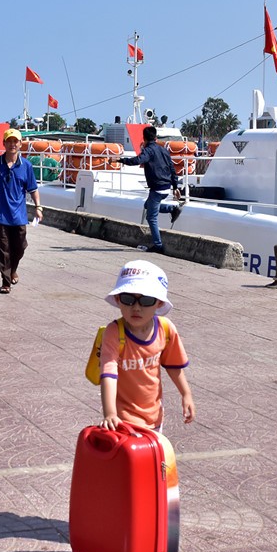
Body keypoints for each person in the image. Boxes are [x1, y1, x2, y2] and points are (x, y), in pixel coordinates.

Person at [98, 260, 195, 432]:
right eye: (128, 299)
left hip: (154, 416)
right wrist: (110, 413)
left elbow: (173, 365)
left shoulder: (165, 329)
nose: (136, 307)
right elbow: (109, 374)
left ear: (159, 303)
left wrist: (186, 394)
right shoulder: (114, 332)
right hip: (122, 420)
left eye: (146, 300)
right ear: (118, 299)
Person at [0, 128, 42, 294]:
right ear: (4, 144)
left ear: (20, 144)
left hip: (18, 215)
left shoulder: (26, 165)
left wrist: (38, 207)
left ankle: (13, 269)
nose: (12, 144)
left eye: (15, 141)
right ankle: (6, 281)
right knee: (2, 249)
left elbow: (33, 189)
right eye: (9, 141)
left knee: (20, 246)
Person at [111, 125, 183, 254]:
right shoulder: (163, 150)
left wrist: (119, 159)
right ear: (155, 137)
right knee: (147, 205)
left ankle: (158, 245)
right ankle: (172, 209)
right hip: (166, 187)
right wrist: (175, 187)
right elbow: (172, 169)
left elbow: (137, 160)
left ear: (144, 138)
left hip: (157, 188)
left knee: (151, 217)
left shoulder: (148, 150)